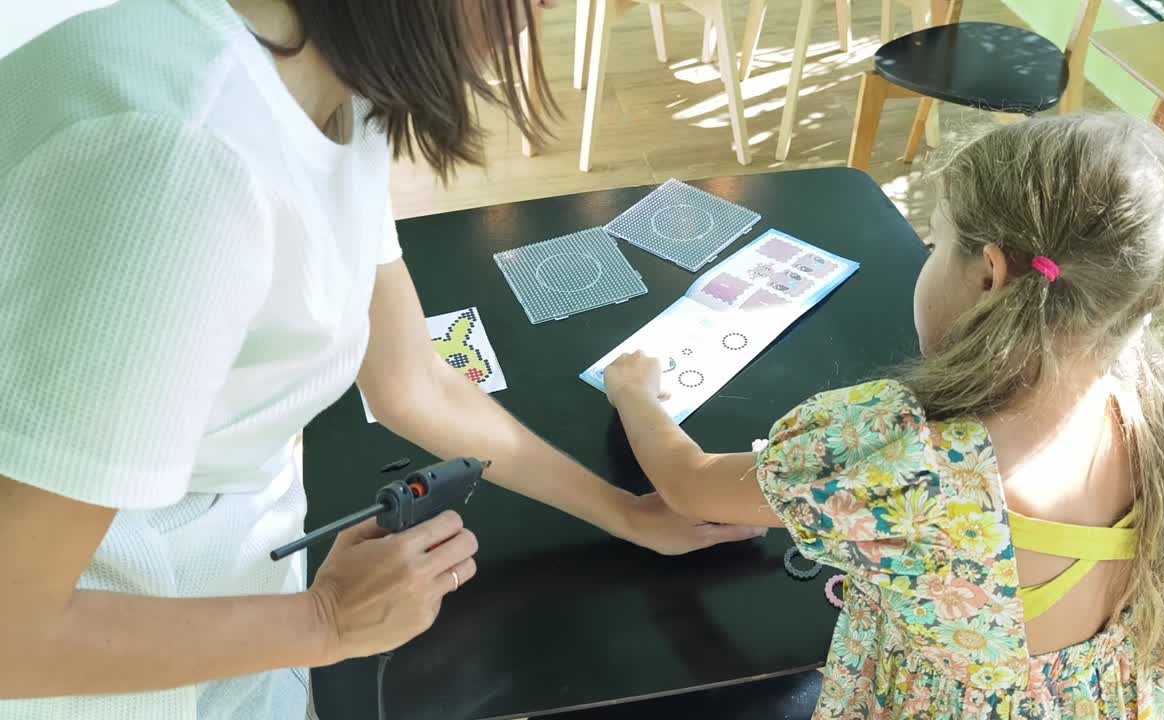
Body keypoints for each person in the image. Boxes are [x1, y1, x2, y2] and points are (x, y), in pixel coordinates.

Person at [0, 1, 764, 718]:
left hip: (228, 600)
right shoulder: (178, 163)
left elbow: (414, 383)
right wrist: (325, 622)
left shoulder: (329, 83)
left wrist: (624, 512)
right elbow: (13, 634)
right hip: (105, 666)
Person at [603, 112, 1164, 718]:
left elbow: (688, 485)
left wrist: (633, 392)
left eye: (937, 241)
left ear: (990, 274)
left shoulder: (907, 457)